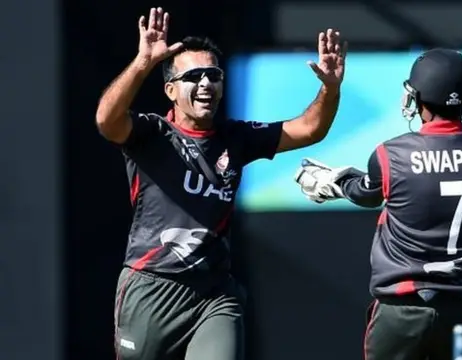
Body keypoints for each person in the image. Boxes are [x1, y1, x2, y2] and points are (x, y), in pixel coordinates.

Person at [95, 7, 347, 360]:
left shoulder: (236, 137)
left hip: (213, 293)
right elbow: (106, 121)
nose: (205, 85)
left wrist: (330, 89)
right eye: (193, 77)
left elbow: (309, 129)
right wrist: (142, 63)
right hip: (151, 287)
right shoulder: (152, 134)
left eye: (213, 75)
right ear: (170, 90)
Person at [293, 48, 462, 360]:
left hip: (404, 307)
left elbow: (367, 193)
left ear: (418, 98)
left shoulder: (391, 155)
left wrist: (335, 182)